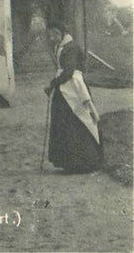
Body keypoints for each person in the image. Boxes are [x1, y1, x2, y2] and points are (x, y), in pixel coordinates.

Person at [44, 23, 103, 173]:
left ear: (63, 32)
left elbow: (69, 71)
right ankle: (68, 162)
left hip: (73, 89)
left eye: (56, 33)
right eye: (51, 34)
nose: (53, 37)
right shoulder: (61, 45)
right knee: (63, 125)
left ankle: (84, 162)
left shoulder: (71, 47)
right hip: (64, 89)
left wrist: (53, 84)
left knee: (78, 121)